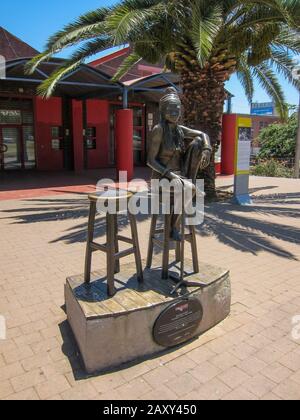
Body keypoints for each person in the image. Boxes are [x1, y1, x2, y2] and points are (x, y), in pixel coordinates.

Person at [147, 87, 212, 241]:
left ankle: (173, 225)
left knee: (197, 143)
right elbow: (150, 161)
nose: (174, 112)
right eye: (170, 109)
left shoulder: (179, 130)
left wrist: (207, 149)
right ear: (163, 111)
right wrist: (171, 175)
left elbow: (203, 135)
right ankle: (173, 227)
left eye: (177, 109)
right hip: (161, 178)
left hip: (179, 176)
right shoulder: (159, 130)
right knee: (189, 189)